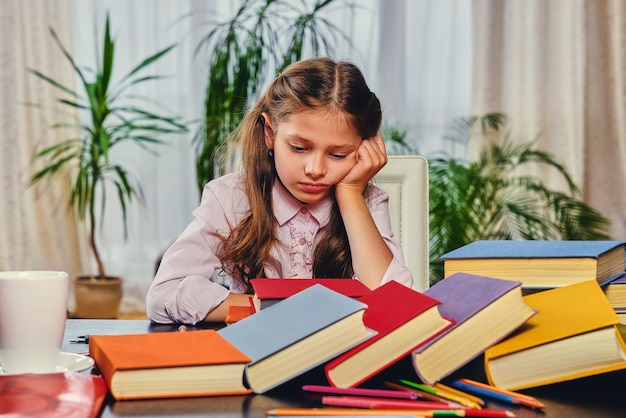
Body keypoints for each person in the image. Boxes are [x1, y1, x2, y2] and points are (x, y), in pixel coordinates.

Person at [146, 57, 414, 324]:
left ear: (363, 150)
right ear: (270, 132)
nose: (315, 169)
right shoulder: (231, 197)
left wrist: (350, 194)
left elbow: (395, 303)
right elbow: (163, 295)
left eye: (338, 154)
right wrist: (271, 309)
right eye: (299, 148)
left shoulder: (365, 200)